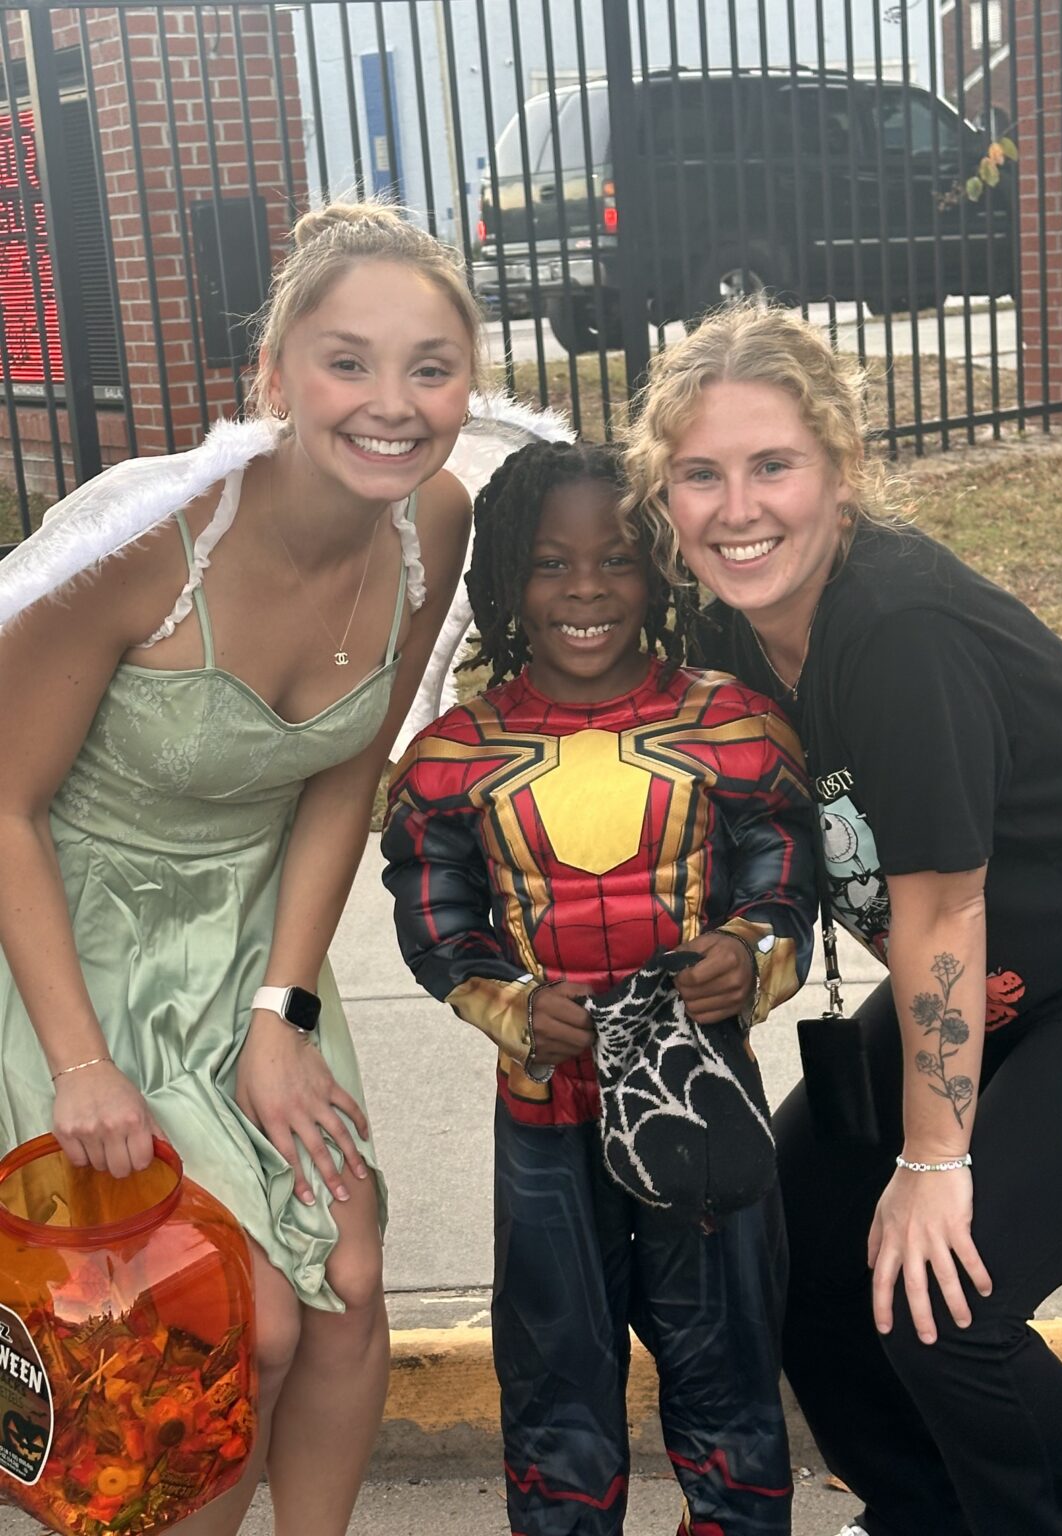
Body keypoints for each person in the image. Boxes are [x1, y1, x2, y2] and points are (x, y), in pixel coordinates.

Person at [620, 300, 1062, 1536]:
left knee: (947, 1297)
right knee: (799, 1246)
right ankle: (924, 1515)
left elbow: (943, 903)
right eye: (701, 474)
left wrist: (931, 1162)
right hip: (1009, 984)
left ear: (841, 473)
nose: (738, 508)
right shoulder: (733, 634)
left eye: (772, 467)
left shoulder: (894, 626)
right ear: (668, 492)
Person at [0, 199, 485, 1536]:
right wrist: (81, 1062)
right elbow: (4, 806)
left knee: (346, 1277)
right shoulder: (146, 541)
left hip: (254, 933)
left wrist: (285, 1016)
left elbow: (344, 776)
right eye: (349, 360)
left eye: (431, 367)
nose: (392, 403)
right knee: (227, 1320)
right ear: (272, 377)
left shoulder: (431, 523)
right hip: (66, 937)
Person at [379, 439, 815, 1536]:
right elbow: (435, 921)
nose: (584, 588)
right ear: (505, 584)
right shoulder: (451, 757)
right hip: (543, 1122)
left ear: (659, 569)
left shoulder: (738, 728)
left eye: (617, 559)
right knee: (556, 1394)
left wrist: (754, 954)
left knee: (729, 1380)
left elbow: (788, 880)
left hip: (704, 1112)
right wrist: (513, 1008)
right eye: (548, 562)